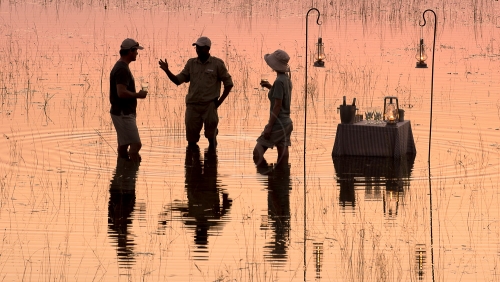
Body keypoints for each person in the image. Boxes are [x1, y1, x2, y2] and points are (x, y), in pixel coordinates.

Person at [158, 36, 233, 149]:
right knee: (191, 140)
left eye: (200, 48)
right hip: (192, 106)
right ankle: (193, 163)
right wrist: (167, 71)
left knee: (211, 138)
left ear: (207, 48)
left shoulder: (217, 64)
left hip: (209, 106)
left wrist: (218, 103)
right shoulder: (191, 63)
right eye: (196, 47)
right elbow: (178, 80)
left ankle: (211, 161)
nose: (197, 50)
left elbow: (229, 84)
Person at [109, 38, 148, 162]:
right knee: (136, 145)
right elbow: (121, 93)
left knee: (124, 145)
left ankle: (121, 175)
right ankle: (131, 175)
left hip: (120, 112)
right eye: (136, 50)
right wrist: (138, 95)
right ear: (130, 51)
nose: (137, 53)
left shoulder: (121, 66)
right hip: (123, 113)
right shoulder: (122, 69)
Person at [253, 49, 293, 167]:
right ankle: (282, 180)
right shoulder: (286, 79)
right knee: (282, 152)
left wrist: (269, 127)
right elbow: (282, 97)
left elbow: (278, 105)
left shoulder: (279, 81)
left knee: (257, 152)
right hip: (287, 123)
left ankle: (267, 173)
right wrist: (270, 87)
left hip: (278, 123)